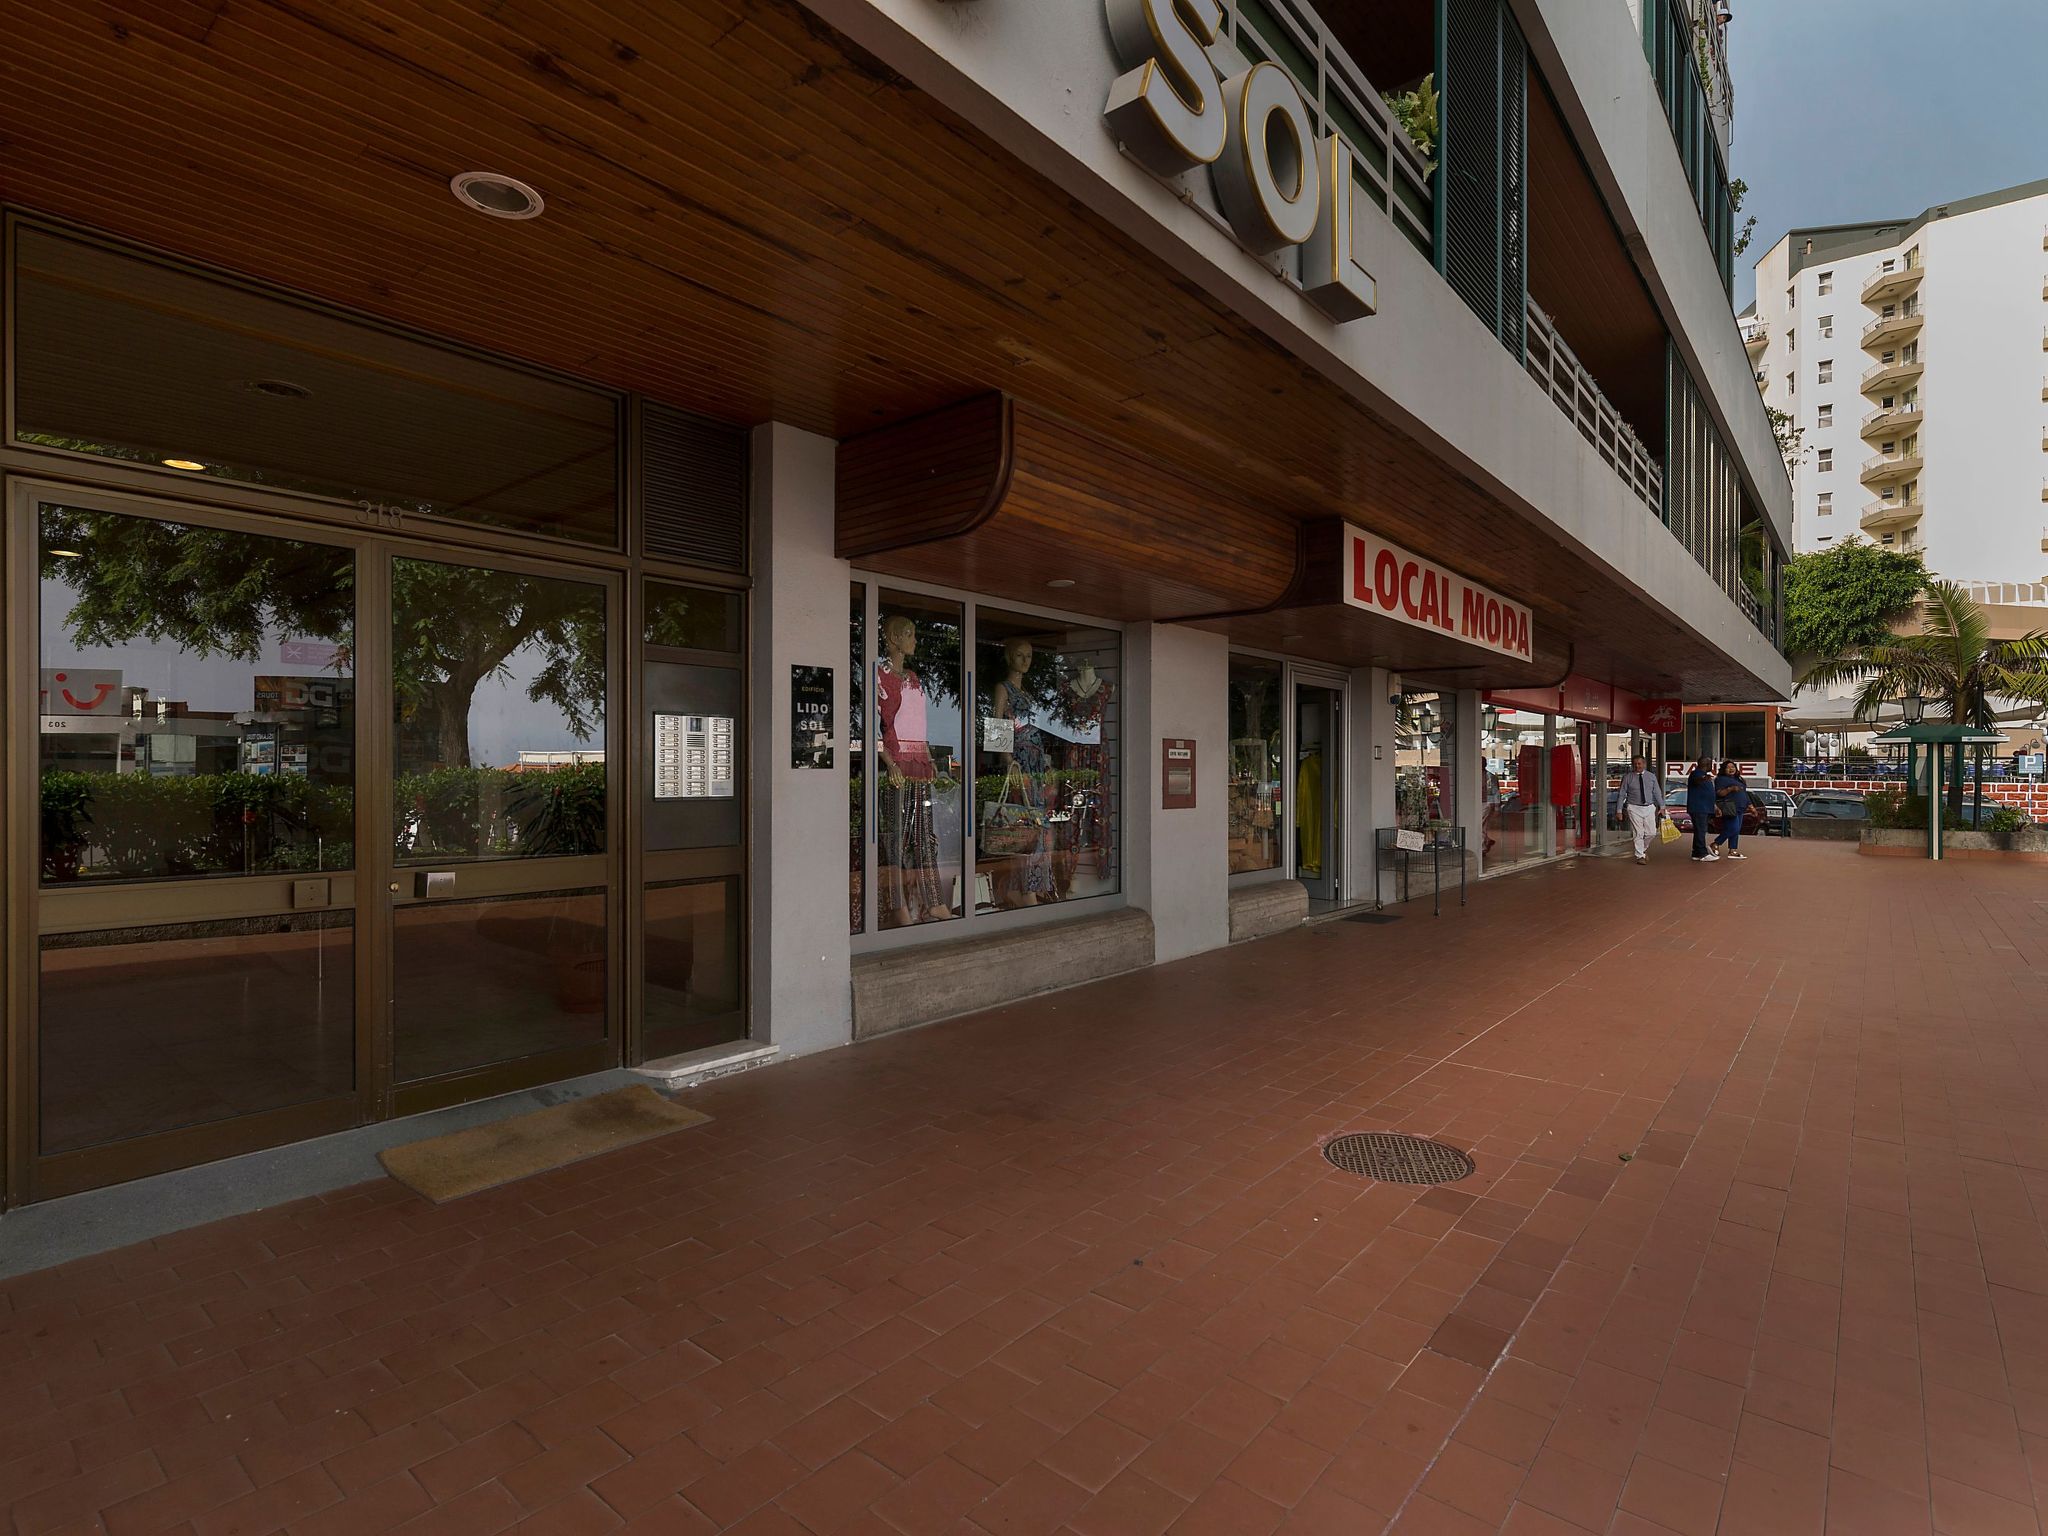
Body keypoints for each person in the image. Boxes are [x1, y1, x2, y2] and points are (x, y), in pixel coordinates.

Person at [1618, 754, 1664, 864]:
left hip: (1649, 807)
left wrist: (1662, 806)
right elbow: (1622, 794)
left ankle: (1642, 850)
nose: (1637, 766)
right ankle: (1640, 856)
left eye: (1639, 763)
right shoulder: (1628, 777)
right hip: (1633, 807)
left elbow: (1657, 792)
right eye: (1635, 764)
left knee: (1651, 833)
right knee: (1638, 832)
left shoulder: (1651, 776)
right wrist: (1619, 810)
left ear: (1644, 764)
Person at [1711, 759, 1749, 860]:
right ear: (1724, 770)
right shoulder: (1721, 779)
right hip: (1730, 807)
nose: (1731, 769)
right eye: (1728, 767)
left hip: (1741, 808)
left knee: (1736, 830)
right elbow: (1719, 793)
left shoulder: (1739, 779)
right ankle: (1716, 843)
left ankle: (1733, 850)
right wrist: (1730, 789)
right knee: (1733, 828)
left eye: (1733, 767)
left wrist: (1751, 806)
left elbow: (1745, 793)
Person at [1686, 758, 1719, 862]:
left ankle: (1696, 852)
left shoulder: (1704, 775)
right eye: (1711, 764)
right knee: (1701, 830)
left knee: (1699, 830)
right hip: (1699, 808)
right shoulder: (1696, 774)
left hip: (1705, 807)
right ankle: (1702, 853)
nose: (1712, 766)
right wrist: (1704, 778)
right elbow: (1696, 781)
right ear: (1707, 764)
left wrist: (1714, 806)